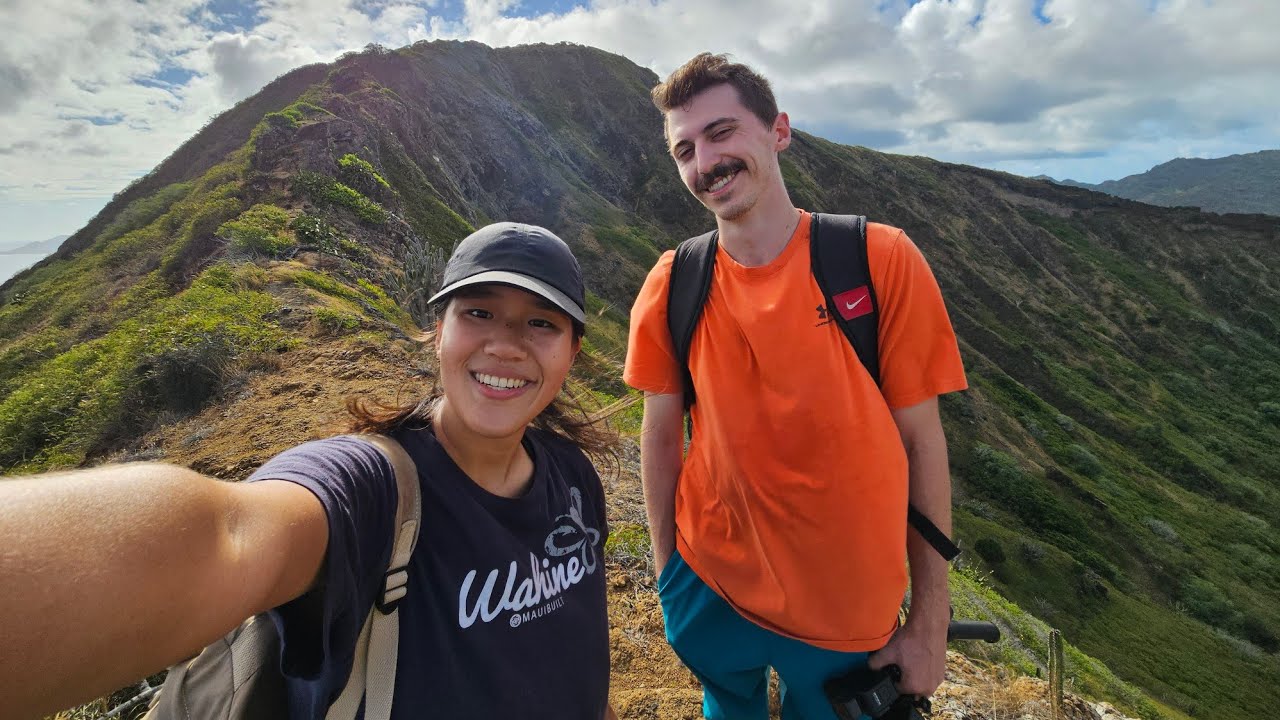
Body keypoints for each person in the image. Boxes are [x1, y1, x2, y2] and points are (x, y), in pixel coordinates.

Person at [0, 222, 619, 720]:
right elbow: (222, 537)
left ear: (573, 352)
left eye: (541, 323)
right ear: (437, 334)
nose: (507, 344)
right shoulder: (372, 490)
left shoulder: (571, 477)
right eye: (478, 313)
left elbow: (574, 654)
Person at [624, 53, 968, 719]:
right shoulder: (672, 283)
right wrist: (670, 578)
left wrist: (929, 622)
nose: (705, 164)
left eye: (722, 133)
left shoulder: (878, 260)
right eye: (685, 150)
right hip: (710, 591)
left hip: (848, 616)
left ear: (778, 130)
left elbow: (921, 442)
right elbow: (661, 435)